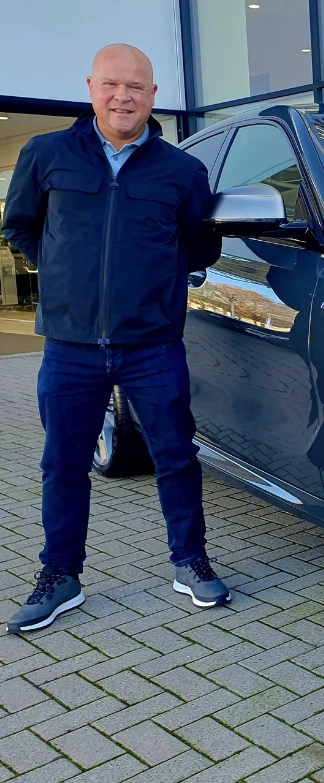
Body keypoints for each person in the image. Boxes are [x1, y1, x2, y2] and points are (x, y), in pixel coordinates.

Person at [1, 44, 228, 633]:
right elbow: (19, 226)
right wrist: (58, 278)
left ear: (154, 96)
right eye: (111, 85)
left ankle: (190, 560)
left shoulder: (182, 172)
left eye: (136, 87)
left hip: (152, 345)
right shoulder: (47, 153)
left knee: (176, 455)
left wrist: (156, 286)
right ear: (91, 88)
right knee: (62, 464)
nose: (122, 96)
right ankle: (60, 575)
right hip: (70, 348)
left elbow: (201, 245)